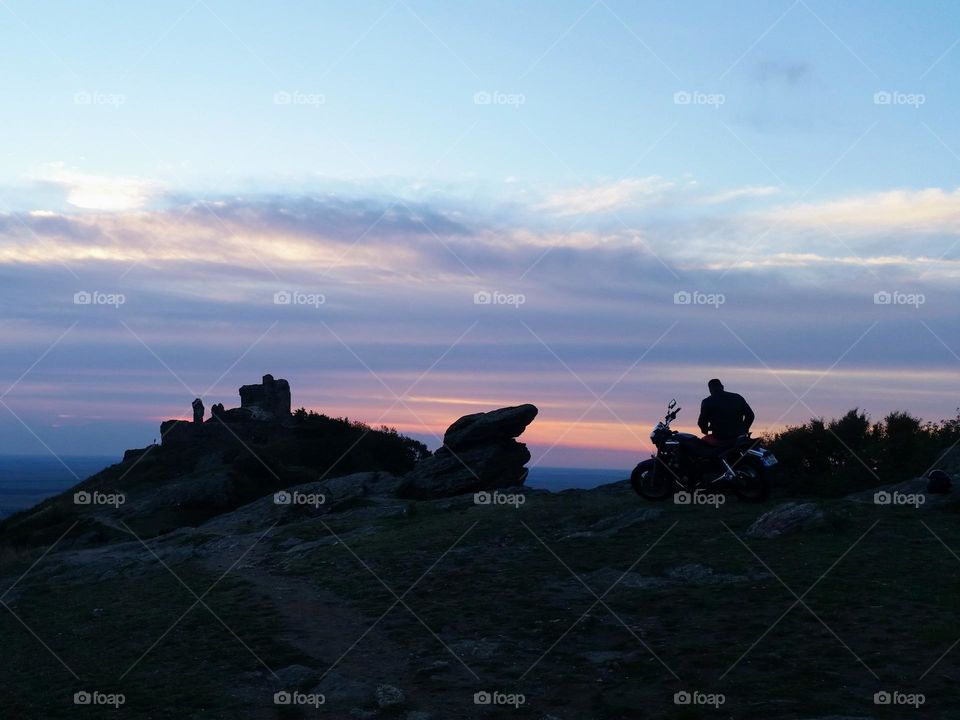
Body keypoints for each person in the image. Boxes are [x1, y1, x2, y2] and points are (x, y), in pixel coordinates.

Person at [697, 379, 754, 446]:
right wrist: (744, 429)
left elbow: (702, 422)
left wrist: (705, 430)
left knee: (702, 445)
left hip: (720, 437)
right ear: (722, 387)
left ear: (710, 390)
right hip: (739, 436)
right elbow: (750, 415)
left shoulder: (707, 402)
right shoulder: (737, 397)